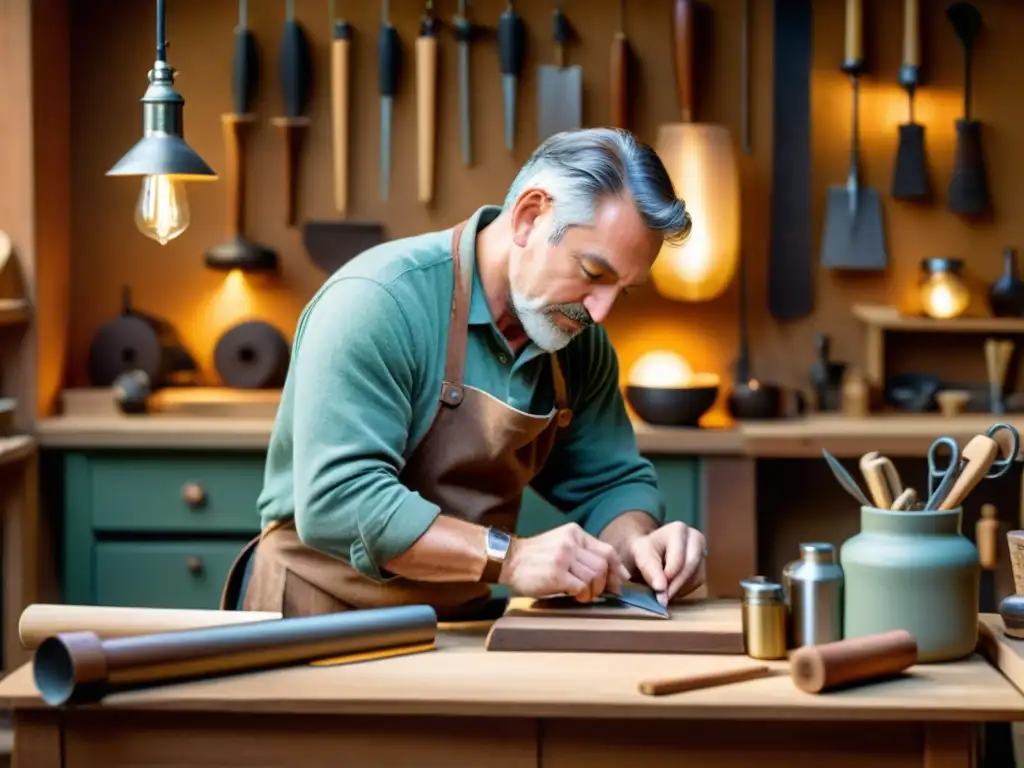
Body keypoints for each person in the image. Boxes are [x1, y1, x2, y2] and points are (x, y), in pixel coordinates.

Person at [224, 127, 707, 620]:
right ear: (529, 217)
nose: (601, 313)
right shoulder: (377, 301)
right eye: (592, 273)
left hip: (454, 624)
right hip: (315, 613)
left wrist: (638, 543)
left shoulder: (576, 341)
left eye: (621, 289)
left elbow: (610, 481)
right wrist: (511, 557)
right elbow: (341, 501)